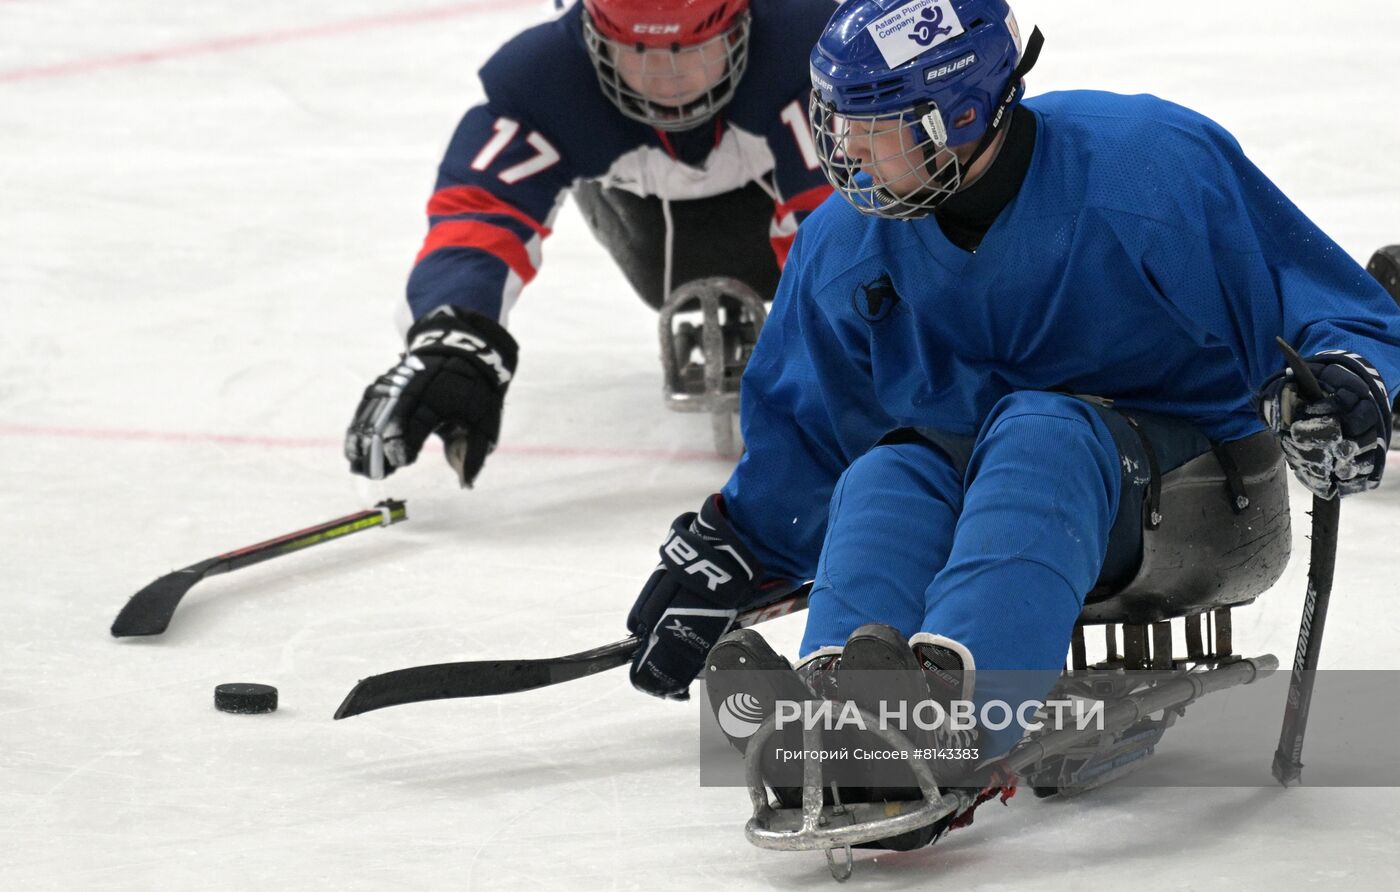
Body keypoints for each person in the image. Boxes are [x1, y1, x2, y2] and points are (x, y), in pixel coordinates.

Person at [623, 0, 1400, 848]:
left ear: (960, 116)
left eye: (876, 128)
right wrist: (740, 547)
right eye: (839, 124)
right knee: (891, 469)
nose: (846, 152)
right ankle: (840, 709)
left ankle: (954, 725)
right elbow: (810, 433)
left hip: (1199, 489)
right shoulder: (845, 243)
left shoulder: (1146, 168)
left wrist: (1346, 384)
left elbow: (1322, 302)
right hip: (992, 483)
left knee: (1040, 430)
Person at [344, 0, 836, 482]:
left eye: (691, 50)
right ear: (590, 33)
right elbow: (481, 215)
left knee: (842, 232)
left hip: (776, 180)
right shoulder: (544, 78)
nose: (668, 78)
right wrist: (456, 342)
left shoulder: (810, 51)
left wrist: (837, 342)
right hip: (640, 215)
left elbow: (840, 224)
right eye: (638, 50)